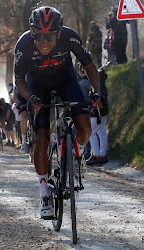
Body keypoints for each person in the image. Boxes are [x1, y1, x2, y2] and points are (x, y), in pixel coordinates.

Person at [14, 6, 101, 217]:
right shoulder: (23, 44)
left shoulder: (70, 37)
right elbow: (19, 80)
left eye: (50, 36)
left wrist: (97, 92)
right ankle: (44, 193)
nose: (44, 42)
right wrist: (30, 98)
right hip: (38, 86)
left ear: (59, 33)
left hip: (66, 80)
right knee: (41, 138)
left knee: (85, 127)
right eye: (39, 36)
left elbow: (89, 67)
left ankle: (77, 154)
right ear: (32, 33)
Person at [87, 69, 109, 166]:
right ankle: (102, 155)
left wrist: (93, 106)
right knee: (102, 132)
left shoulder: (96, 86)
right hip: (103, 112)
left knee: (92, 133)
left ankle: (96, 155)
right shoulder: (103, 85)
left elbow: (97, 98)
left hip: (95, 113)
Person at [75, 63, 92, 161]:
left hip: (85, 111)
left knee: (78, 130)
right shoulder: (92, 82)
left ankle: (85, 152)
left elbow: (83, 99)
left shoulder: (82, 84)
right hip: (96, 111)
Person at [13, 87, 29, 153]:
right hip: (22, 101)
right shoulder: (19, 82)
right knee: (25, 117)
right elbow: (14, 97)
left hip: (34, 99)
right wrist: (17, 101)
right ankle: (24, 143)